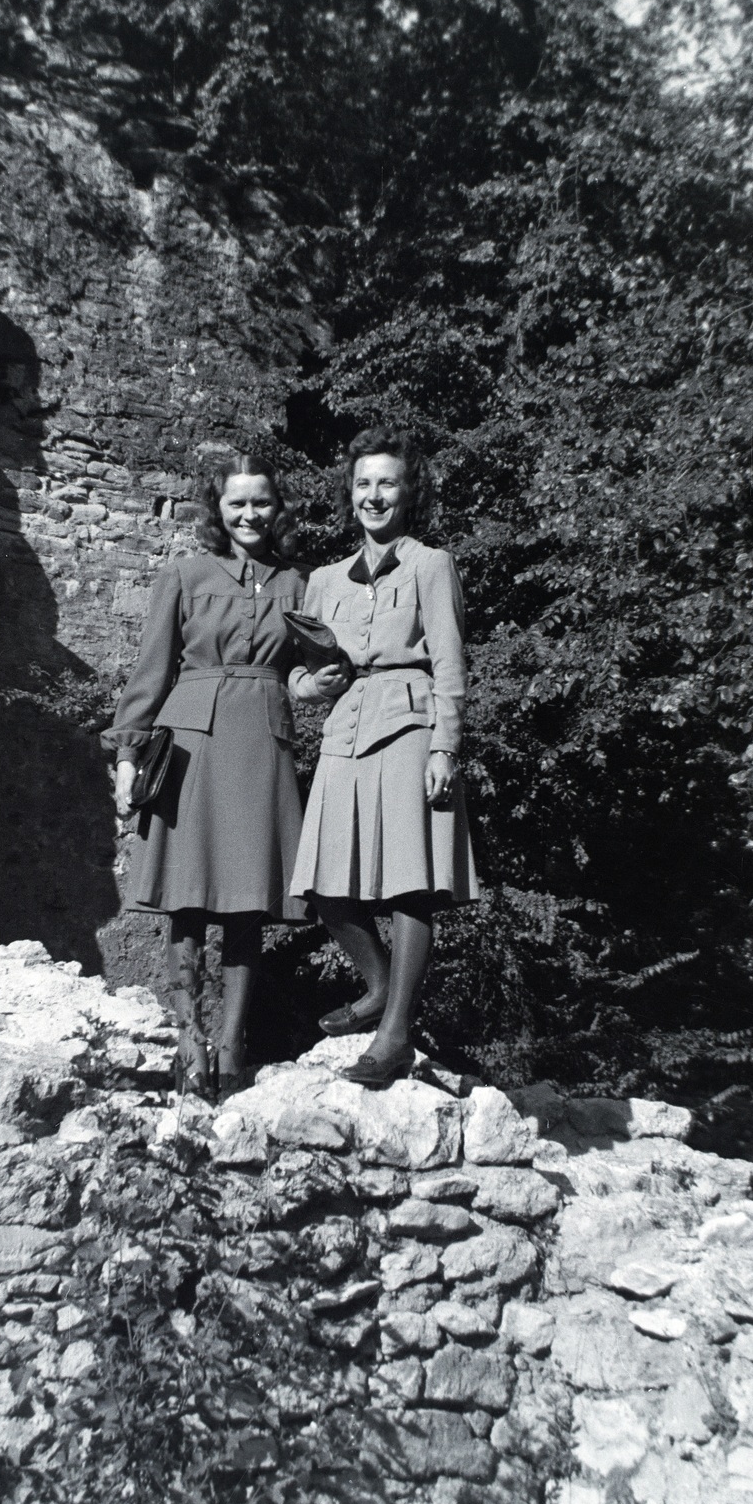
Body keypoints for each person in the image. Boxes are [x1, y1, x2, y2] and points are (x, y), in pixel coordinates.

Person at [104, 453, 307, 1102]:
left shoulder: (297, 585)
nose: (249, 515)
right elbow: (151, 670)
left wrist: (314, 684)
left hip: (264, 741)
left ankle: (234, 1046)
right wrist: (128, 757)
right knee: (188, 902)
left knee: (250, 905)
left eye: (261, 503)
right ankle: (189, 1041)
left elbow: (308, 671)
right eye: (236, 503)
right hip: (192, 740)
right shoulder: (185, 575)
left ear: (277, 509)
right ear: (218, 511)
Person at [288, 426, 478, 1086]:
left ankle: (395, 1032)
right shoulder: (322, 581)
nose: (374, 495)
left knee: (409, 881)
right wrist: (310, 685)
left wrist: (444, 746)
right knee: (323, 885)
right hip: (344, 727)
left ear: (407, 493)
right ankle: (375, 990)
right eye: (363, 483)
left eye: (386, 483)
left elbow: (451, 664)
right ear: (350, 493)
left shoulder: (431, 565)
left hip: (410, 722)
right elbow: (300, 677)